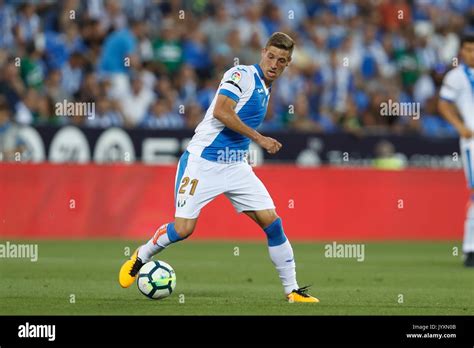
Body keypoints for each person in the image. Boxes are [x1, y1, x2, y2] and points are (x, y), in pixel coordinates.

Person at [119, 32, 319, 302]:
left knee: (272, 223)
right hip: (202, 162)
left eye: (281, 60)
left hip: (235, 166)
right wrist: (259, 139)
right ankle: (142, 255)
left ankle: (292, 290)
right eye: (271, 56)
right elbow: (221, 112)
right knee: (183, 230)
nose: (274, 63)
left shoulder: (267, 87)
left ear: (287, 64)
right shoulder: (241, 75)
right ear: (262, 52)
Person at [438, 33, 474, 267]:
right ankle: (470, 249)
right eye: (468, 49)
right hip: (472, 142)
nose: (471, 53)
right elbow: (443, 104)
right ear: (461, 51)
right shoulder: (456, 76)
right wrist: (461, 126)